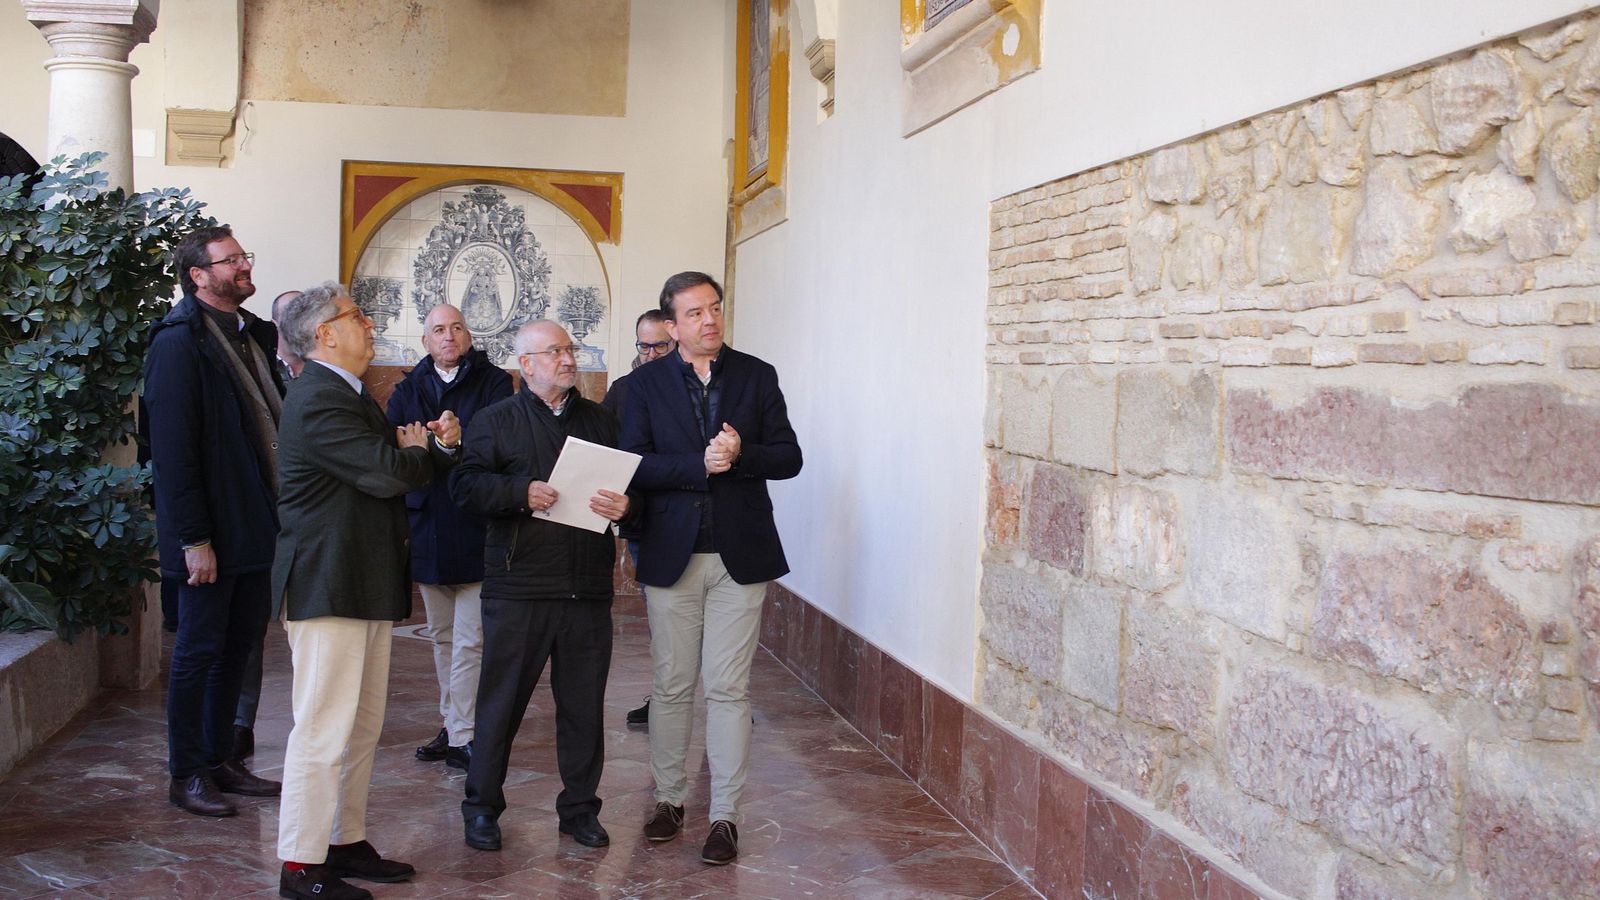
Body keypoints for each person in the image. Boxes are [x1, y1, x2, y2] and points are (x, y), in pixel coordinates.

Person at [271, 282, 460, 900]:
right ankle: (299, 865)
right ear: (325, 333)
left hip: (361, 580)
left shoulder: (346, 391)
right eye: (357, 316)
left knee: (360, 726)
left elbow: (390, 466)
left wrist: (424, 449)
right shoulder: (318, 398)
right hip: (328, 583)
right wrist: (420, 450)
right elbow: (384, 474)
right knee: (323, 728)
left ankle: (343, 839)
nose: (370, 324)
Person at [621, 271, 802, 865]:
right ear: (671, 326)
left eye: (715, 308)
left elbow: (790, 457)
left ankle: (725, 814)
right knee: (672, 685)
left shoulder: (756, 375)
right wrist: (698, 464)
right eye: (695, 313)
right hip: (671, 551)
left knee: (728, 688)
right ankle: (669, 800)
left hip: (739, 554)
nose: (709, 320)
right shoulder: (642, 385)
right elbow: (633, 463)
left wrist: (742, 454)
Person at [450, 320, 633, 854]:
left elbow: (630, 489)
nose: (567, 358)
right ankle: (481, 808)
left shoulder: (602, 421)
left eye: (569, 349)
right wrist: (519, 492)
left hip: (586, 588)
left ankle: (580, 809)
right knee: (500, 706)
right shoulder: (494, 420)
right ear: (525, 364)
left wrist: (628, 506)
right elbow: (465, 485)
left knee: (583, 708)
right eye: (554, 351)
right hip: (519, 586)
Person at [143, 226, 283, 817]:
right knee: (198, 652)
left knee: (238, 648)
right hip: (209, 533)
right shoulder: (178, 342)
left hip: (252, 525)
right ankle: (187, 772)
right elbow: (173, 454)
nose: (243, 266)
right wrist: (194, 539)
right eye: (231, 261)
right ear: (198, 275)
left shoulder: (251, 333)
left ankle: (221, 758)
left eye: (243, 256)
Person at [385, 303, 512, 770]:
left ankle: (464, 732)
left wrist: (445, 445)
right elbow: (399, 453)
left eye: (457, 327)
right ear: (426, 341)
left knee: (470, 639)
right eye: (439, 329)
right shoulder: (407, 389)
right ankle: (453, 722)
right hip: (428, 527)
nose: (449, 336)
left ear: (468, 335)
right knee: (441, 637)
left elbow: (496, 444)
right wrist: (441, 447)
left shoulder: (495, 383)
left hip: (476, 524)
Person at [231, 288, 305, 762]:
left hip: (306, 518)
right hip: (261, 513)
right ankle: (240, 724)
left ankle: (312, 721)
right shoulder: (257, 365)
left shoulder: (322, 375)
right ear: (277, 326)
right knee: (251, 625)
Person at [600, 308, 675, 727]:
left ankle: (723, 699)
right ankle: (663, 697)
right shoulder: (623, 391)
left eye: (659, 346)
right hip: (644, 520)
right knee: (659, 615)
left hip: (694, 521)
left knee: (706, 618)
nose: (650, 354)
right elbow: (603, 448)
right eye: (643, 346)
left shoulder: (698, 388)